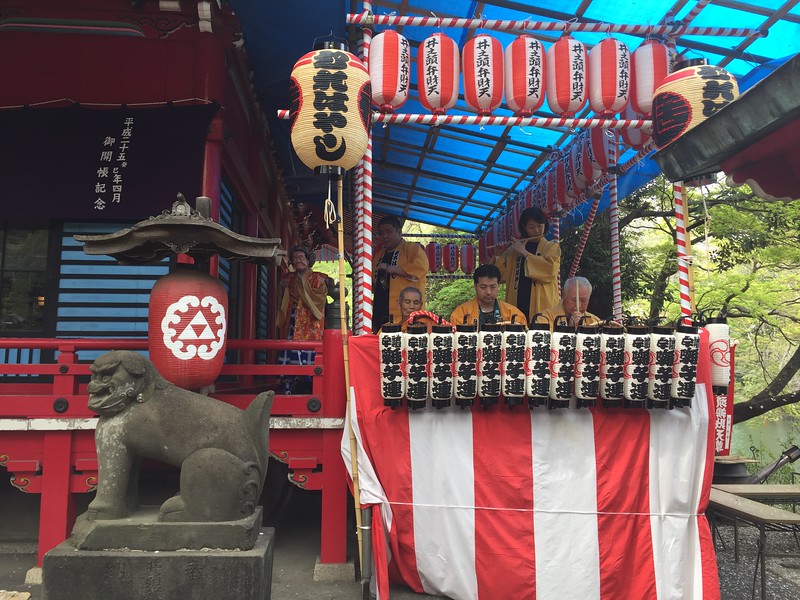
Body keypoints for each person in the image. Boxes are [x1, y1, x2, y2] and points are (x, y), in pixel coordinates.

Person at [276, 245, 331, 393]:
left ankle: (310, 390)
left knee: (310, 356)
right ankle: (287, 390)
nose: (297, 260)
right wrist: (282, 288)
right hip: (291, 320)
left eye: (301, 257)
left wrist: (303, 287)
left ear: (308, 260)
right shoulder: (287, 278)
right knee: (289, 352)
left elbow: (319, 300)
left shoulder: (319, 278)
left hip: (310, 323)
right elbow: (280, 300)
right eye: (294, 258)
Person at [492, 206, 560, 324]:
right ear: (524, 227)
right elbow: (499, 276)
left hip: (543, 304)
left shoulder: (552, 247)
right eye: (532, 227)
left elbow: (550, 271)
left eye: (540, 226)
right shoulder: (513, 249)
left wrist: (525, 254)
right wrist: (498, 254)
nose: (537, 231)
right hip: (517, 302)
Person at [372, 216, 429, 332]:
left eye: (388, 231)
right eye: (381, 233)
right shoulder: (379, 255)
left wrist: (390, 269)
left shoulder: (412, 249)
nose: (384, 236)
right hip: (380, 309)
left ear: (399, 232)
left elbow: (419, 269)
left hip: (405, 312)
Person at [450, 264, 526, 328]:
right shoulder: (461, 313)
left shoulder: (513, 313)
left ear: (498, 285)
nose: (488, 292)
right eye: (483, 287)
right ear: (475, 286)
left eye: (493, 287)